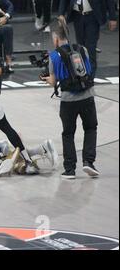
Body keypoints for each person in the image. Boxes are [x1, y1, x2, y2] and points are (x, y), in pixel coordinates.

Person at [41, 22, 98, 179]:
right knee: (90, 128)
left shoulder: (54, 56)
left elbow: (53, 82)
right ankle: (88, 162)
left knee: (68, 133)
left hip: (68, 100)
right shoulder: (82, 49)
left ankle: (70, 169)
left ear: (56, 38)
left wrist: (46, 79)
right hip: (87, 96)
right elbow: (89, 70)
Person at [58, 0, 117, 77]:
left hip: (92, 16)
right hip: (77, 16)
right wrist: (61, 14)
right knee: (80, 48)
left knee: (90, 48)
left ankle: (90, 79)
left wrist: (113, 17)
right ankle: (83, 76)